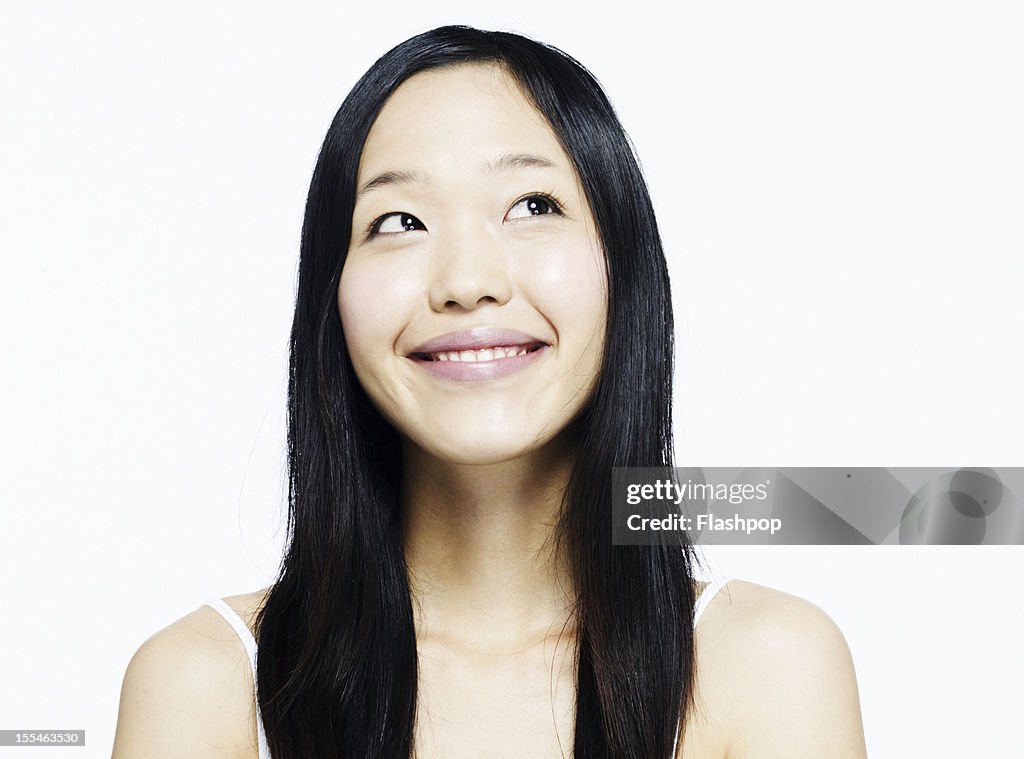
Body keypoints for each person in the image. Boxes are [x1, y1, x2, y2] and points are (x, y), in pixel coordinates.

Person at [112, 25, 867, 758]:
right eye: (399, 220)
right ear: (330, 295)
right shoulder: (208, 686)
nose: (468, 282)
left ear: (623, 265)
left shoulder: (767, 668)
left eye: (532, 206)